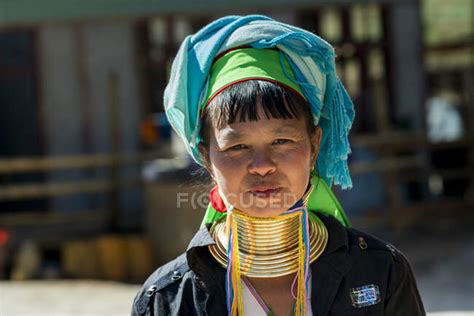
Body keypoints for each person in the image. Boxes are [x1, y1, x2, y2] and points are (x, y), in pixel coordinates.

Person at [132, 15, 425, 316]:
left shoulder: (381, 273)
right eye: (237, 146)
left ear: (314, 145)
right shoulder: (168, 300)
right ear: (206, 158)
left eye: (282, 141)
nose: (262, 165)